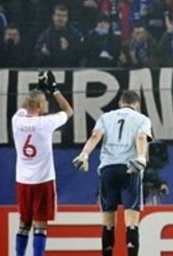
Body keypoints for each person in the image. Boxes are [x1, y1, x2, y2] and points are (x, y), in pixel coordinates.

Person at [72, 90, 153, 256]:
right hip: (130, 167)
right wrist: (141, 157)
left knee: (108, 218)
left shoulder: (106, 117)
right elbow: (141, 138)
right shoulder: (142, 119)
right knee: (131, 218)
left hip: (108, 168)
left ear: (120, 103)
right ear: (137, 105)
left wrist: (84, 154)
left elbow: (95, 136)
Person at [13, 71, 73, 256]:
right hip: (43, 181)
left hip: (23, 181)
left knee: (24, 223)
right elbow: (68, 111)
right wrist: (54, 89)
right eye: (44, 102)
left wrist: (37, 89)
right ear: (40, 105)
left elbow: (25, 106)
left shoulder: (16, 120)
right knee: (40, 225)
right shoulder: (46, 122)